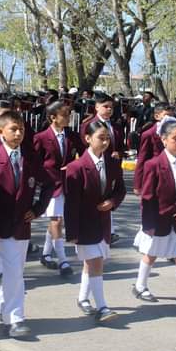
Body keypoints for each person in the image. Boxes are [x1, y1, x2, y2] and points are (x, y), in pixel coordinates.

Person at [0, 111, 55, 337]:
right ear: (0, 131)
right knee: (14, 272)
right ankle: (16, 318)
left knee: (15, 270)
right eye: (13, 129)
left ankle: (4, 309)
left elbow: (49, 184)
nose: (18, 133)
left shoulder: (30, 160)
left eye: (21, 128)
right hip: (1, 225)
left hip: (22, 224)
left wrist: (38, 208)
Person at [133, 121, 176, 311]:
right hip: (157, 218)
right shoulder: (153, 164)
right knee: (151, 254)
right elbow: (147, 196)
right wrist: (149, 223)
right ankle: (140, 285)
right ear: (164, 140)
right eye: (175, 139)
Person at [65, 120, 126, 323]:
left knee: (92, 263)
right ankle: (102, 307)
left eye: (107, 138)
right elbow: (71, 204)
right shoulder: (76, 167)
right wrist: (72, 232)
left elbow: (120, 190)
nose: (105, 142)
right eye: (101, 138)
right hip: (85, 224)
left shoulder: (112, 163)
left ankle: (83, 298)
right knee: (96, 263)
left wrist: (112, 202)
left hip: (103, 223)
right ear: (88, 139)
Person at [34, 101, 85, 276]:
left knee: (58, 220)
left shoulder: (72, 135)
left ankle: (46, 254)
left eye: (69, 114)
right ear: (53, 117)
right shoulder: (40, 138)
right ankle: (63, 260)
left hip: (68, 182)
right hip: (51, 185)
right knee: (56, 221)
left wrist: (74, 166)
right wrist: (41, 181)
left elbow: (84, 155)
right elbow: (35, 163)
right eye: (65, 115)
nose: (68, 117)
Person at [79, 93, 126, 244]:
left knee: (108, 197)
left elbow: (121, 147)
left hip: (112, 168)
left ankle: (108, 231)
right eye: (105, 106)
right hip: (94, 167)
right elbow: (83, 148)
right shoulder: (88, 125)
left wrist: (118, 153)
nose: (109, 110)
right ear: (96, 107)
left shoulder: (116, 126)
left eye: (111, 107)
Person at [133, 102, 175, 195]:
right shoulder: (149, 134)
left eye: (172, 116)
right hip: (155, 176)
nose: (169, 119)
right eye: (166, 116)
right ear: (157, 116)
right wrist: (137, 184)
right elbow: (142, 159)